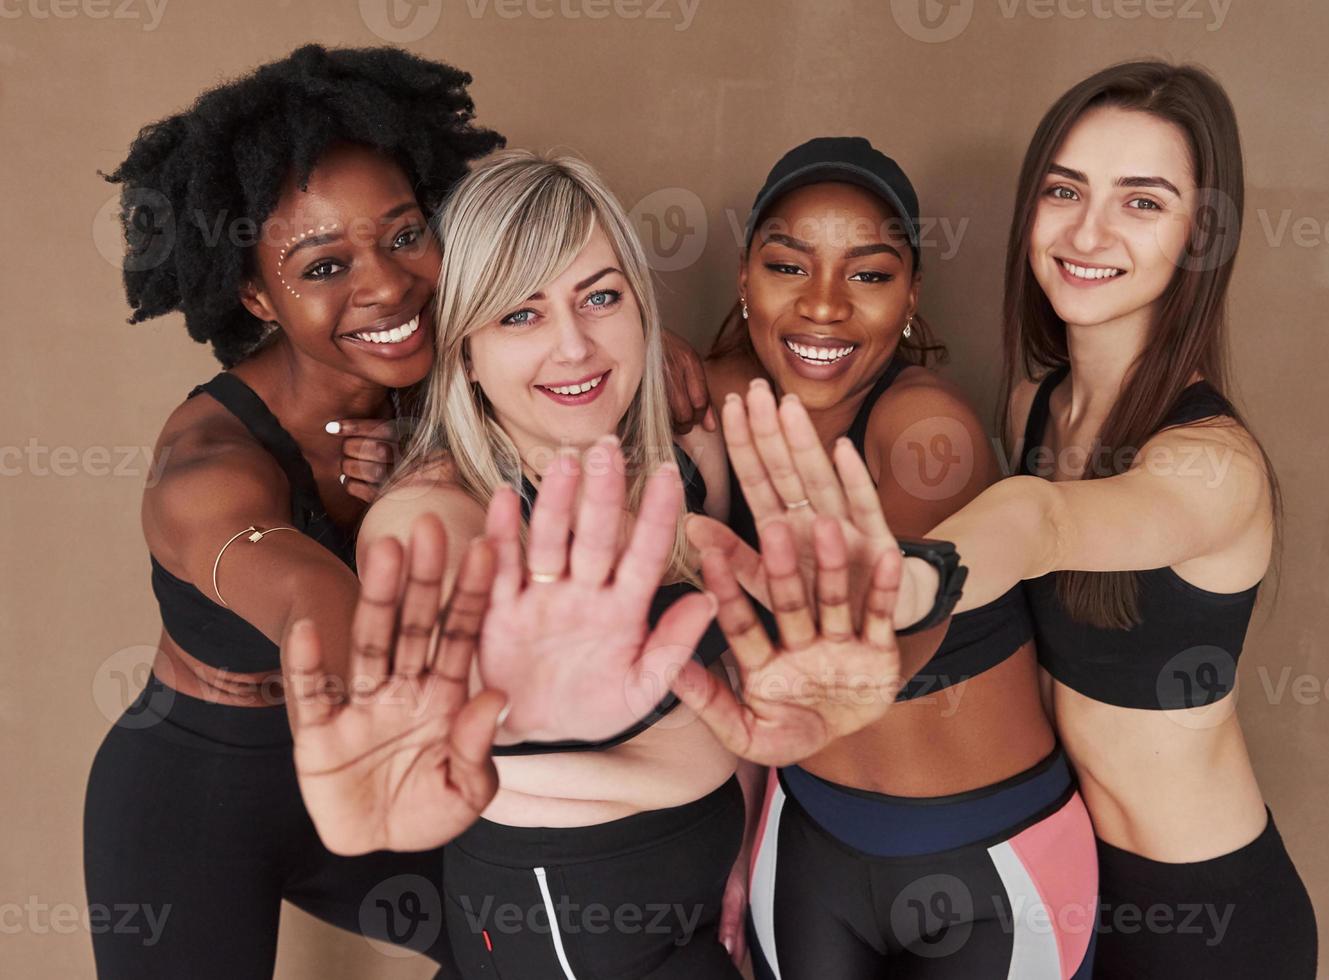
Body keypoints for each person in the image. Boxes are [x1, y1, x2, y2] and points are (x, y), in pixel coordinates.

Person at [692, 62, 1317, 980]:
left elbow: (1041, 523)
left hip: (1202, 913)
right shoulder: (1037, 404)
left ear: (1199, 236)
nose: (1088, 231)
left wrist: (908, 582)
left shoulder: (1211, 463)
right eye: (1064, 190)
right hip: (1069, 865)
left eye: (1141, 203)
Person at [279, 150, 912, 978]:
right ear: (463, 350)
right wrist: (523, 728)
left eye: (600, 298)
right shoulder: (434, 519)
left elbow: (737, 708)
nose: (573, 348)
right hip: (566, 924)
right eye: (519, 315)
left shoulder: (692, 467)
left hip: (699, 904)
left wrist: (742, 851)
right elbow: (453, 711)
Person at [82, 44, 505, 979]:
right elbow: (315, 609)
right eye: (323, 267)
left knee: (532, 942)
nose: (388, 287)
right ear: (253, 293)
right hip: (198, 789)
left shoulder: (460, 374)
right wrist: (407, 530)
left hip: (376, 769)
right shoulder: (207, 469)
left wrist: (435, 475)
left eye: (403, 235)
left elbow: (594, 354)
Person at [688, 137, 1098, 979]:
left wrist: (872, 654)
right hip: (804, 842)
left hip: (988, 867)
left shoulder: (926, 429)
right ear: (743, 278)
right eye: (788, 267)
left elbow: (914, 603)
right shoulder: (721, 393)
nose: (825, 306)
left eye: (868, 274)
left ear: (910, 295)